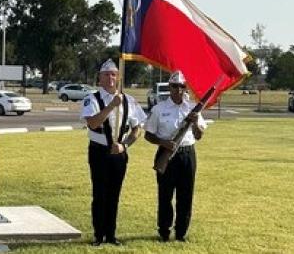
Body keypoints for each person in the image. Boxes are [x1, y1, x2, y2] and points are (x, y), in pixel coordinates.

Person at [81, 59, 146, 247]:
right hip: (99, 152)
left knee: (114, 194)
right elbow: (92, 123)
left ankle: (111, 234)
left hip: (119, 153)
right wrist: (111, 106)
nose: (111, 78)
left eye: (114, 74)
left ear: (118, 77)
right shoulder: (92, 99)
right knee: (99, 193)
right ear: (99, 78)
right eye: (106, 74)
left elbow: (137, 129)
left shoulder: (129, 100)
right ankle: (98, 235)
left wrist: (124, 146)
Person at [144, 70, 206, 242]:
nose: (178, 89)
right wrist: (164, 143)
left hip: (187, 153)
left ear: (186, 88)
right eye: (174, 86)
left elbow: (199, 135)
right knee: (165, 195)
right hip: (166, 153)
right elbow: (148, 135)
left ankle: (181, 233)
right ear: (169, 87)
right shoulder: (159, 109)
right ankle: (164, 231)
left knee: (186, 195)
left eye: (182, 86)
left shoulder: (194, 108)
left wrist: (194, 123)